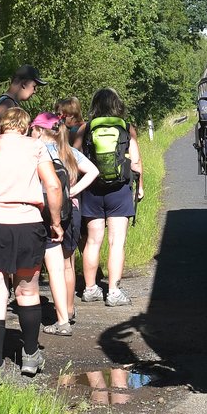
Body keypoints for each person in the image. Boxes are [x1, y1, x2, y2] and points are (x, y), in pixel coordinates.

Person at [0, 104, 63, 377]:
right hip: (27, 224)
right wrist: (55, 222)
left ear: (0, 126)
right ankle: (30, 356)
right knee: (27, 291)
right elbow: (53, 185)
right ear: (26, 127)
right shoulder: (36, 147)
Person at [76, 87, 143, 307]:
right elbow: (136, 163)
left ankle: (90, 289)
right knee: (116, 242)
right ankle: (113, 292)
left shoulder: (86, 128)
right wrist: (140, 188)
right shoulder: (126, 127)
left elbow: (73, 157)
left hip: (92, 190)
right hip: (120, 191)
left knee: (93, 240)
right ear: (117, 105)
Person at [31, 110, 95, 335]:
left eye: (33, 129)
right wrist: (73, 191)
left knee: (46, 263)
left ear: (40, 130)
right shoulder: (68, 151)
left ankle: (41, 310)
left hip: (44, 212)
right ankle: (68, 310)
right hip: (70, 211)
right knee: (66, 263)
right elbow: (93, 171)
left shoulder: (36, 151)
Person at [0, 64, 45, 150]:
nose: (35, 91)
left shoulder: (6, 102)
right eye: (34, 86)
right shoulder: (8, 104)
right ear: (24, 84)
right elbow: (4, 140)